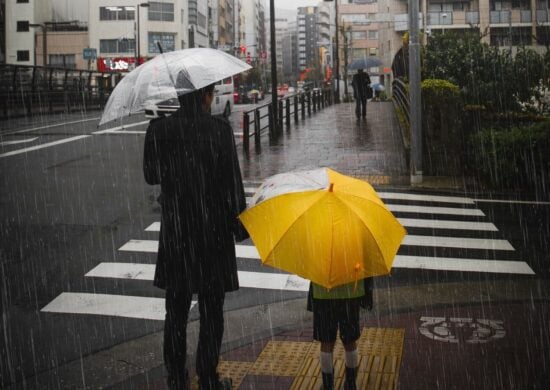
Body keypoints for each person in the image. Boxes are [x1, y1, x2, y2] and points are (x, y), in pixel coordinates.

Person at [143, 81, 248, 390]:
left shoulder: (160, 129)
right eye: (212, 94)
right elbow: (232, 182)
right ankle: (207, 375)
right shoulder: (219, 129)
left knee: (175, 310)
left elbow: (151, 175)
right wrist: (237, 224)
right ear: (205, 95)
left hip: (177, 231)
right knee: (211, 310)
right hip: (212, 231)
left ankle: (176, 378)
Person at [307, 278, 373, 390]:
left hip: (323, 291)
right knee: (350, 340)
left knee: (326, 341)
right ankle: (351, 383)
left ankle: (328, 385)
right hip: (350, 289)